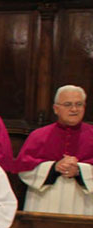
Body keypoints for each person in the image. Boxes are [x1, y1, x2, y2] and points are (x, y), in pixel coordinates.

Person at [15, 85, 93, 215]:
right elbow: (23, 168)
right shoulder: (38, 135)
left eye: (79, 104)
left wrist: (80, 170)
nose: (74, 109)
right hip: (45, 200)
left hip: (84, 203)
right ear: (56, 109)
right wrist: (54, 167)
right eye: (68, 104)